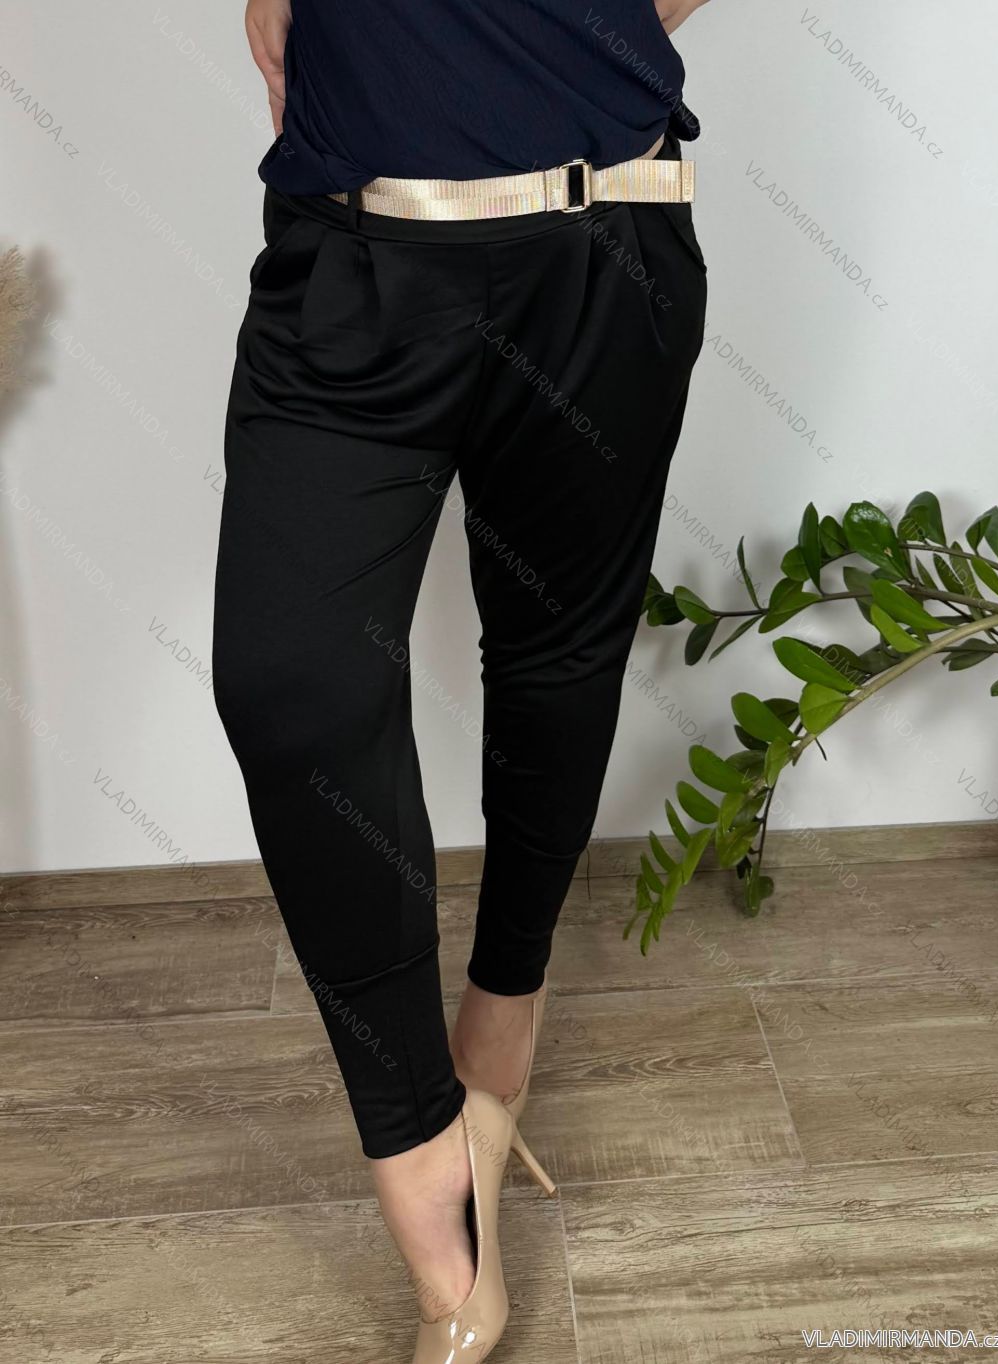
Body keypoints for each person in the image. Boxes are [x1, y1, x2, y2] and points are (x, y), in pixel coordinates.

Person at [214, 0, 711, 1356]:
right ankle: (424, 1156)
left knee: (555, 656)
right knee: (290, 680)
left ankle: (501, 1036)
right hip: (349, 242)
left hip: (604, 237)